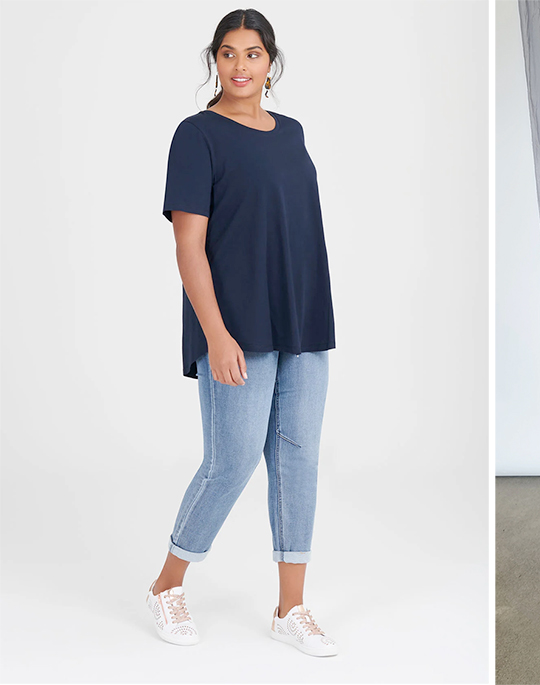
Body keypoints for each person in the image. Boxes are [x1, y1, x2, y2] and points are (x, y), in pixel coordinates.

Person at [147, 8, 338, 657]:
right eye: (228, 53)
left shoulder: (292, 133)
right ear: (216, 61)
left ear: (270, 62)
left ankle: (292, 606)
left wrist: (312, 316)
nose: (240, 66)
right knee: (229, 461)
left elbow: (299, 231)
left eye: (252, 54)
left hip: (301, 320)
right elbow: (188, 245)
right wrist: (216, 335)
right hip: (235, 324)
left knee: (297, 459)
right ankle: (167, 585)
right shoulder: (196, 135)